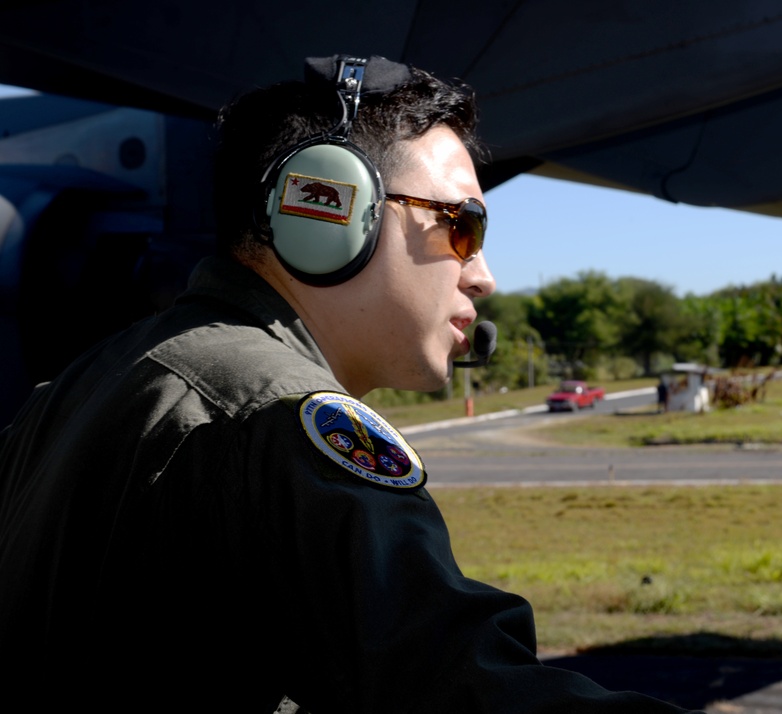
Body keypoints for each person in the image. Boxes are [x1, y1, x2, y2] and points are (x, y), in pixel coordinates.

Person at [0, 55, 697, 713]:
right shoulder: (282, 420)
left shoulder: (84, 383)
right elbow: (462, 686)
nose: (483, 276)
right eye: (462, 226)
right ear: (328, 212)